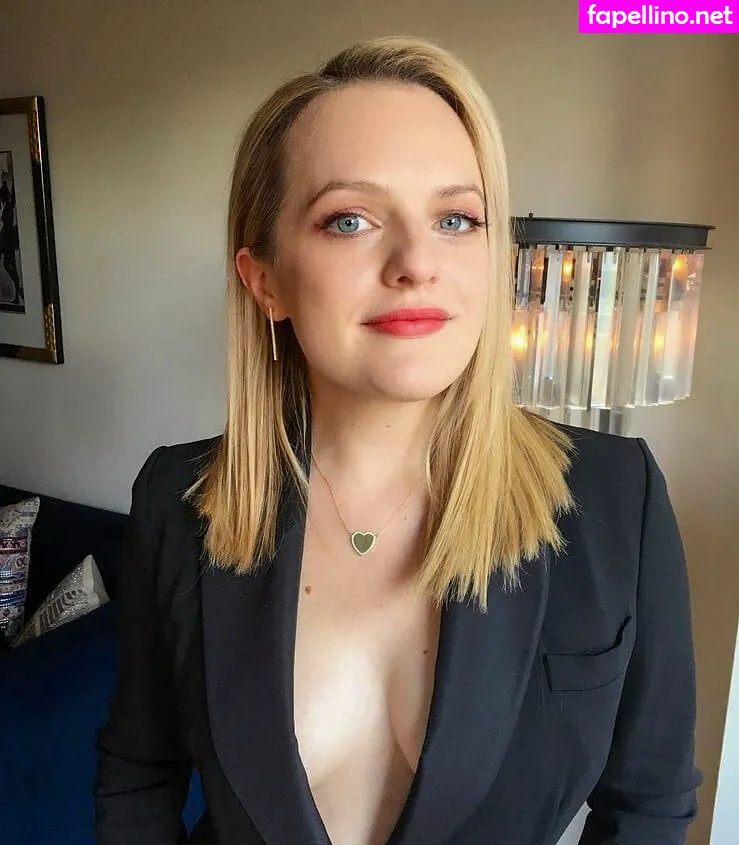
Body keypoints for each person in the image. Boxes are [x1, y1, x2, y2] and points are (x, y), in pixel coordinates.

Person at [94, 35, 702, 845]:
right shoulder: (176, 502)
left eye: (456, 219)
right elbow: (139, 771)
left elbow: (649, 804)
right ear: (265, 279)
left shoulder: (617, 497)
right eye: (349, 220)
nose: (417, 261)